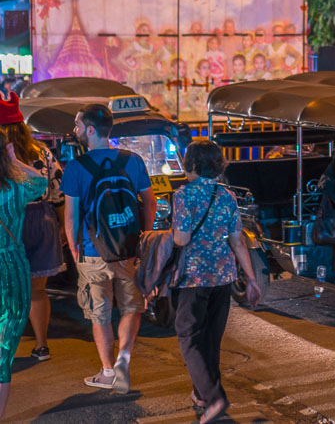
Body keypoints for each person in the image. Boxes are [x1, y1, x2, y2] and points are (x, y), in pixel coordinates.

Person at [61, 104, 156, 392]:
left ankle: (107, 373)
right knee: (130, 308)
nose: (75, 131)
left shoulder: (76, 168)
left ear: (90, 130)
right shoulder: (133, 160)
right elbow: (149, 202)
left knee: (99, 313)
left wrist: (76, 252)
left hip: (93, 251)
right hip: (128, 248)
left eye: (77, 125)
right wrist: (143, 235)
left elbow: (71, 217)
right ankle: (123, 360)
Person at [172, 140, 261, 423]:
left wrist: (169, 235)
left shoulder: (184, 195)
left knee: (188, 336)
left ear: (193, 164)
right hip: (223, 276)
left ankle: (214, 398)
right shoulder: (227, 196)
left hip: (194, 277)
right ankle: (202, 395)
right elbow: (237, 242)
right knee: (210, 339)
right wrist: (251, 279)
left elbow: (181, 239)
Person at [1, 93, 65, 362]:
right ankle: (41, 345)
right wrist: (61, 226)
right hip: (41, 220)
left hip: (8, 223)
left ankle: (6, 348)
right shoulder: (41, 151)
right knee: (38, 290)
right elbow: (57, 190)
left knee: (5, 290)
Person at [0, 131, 48, 419]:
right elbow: (41, 182)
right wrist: (14, 158)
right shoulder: (15, 188)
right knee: (2, 355)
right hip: (11, 269)